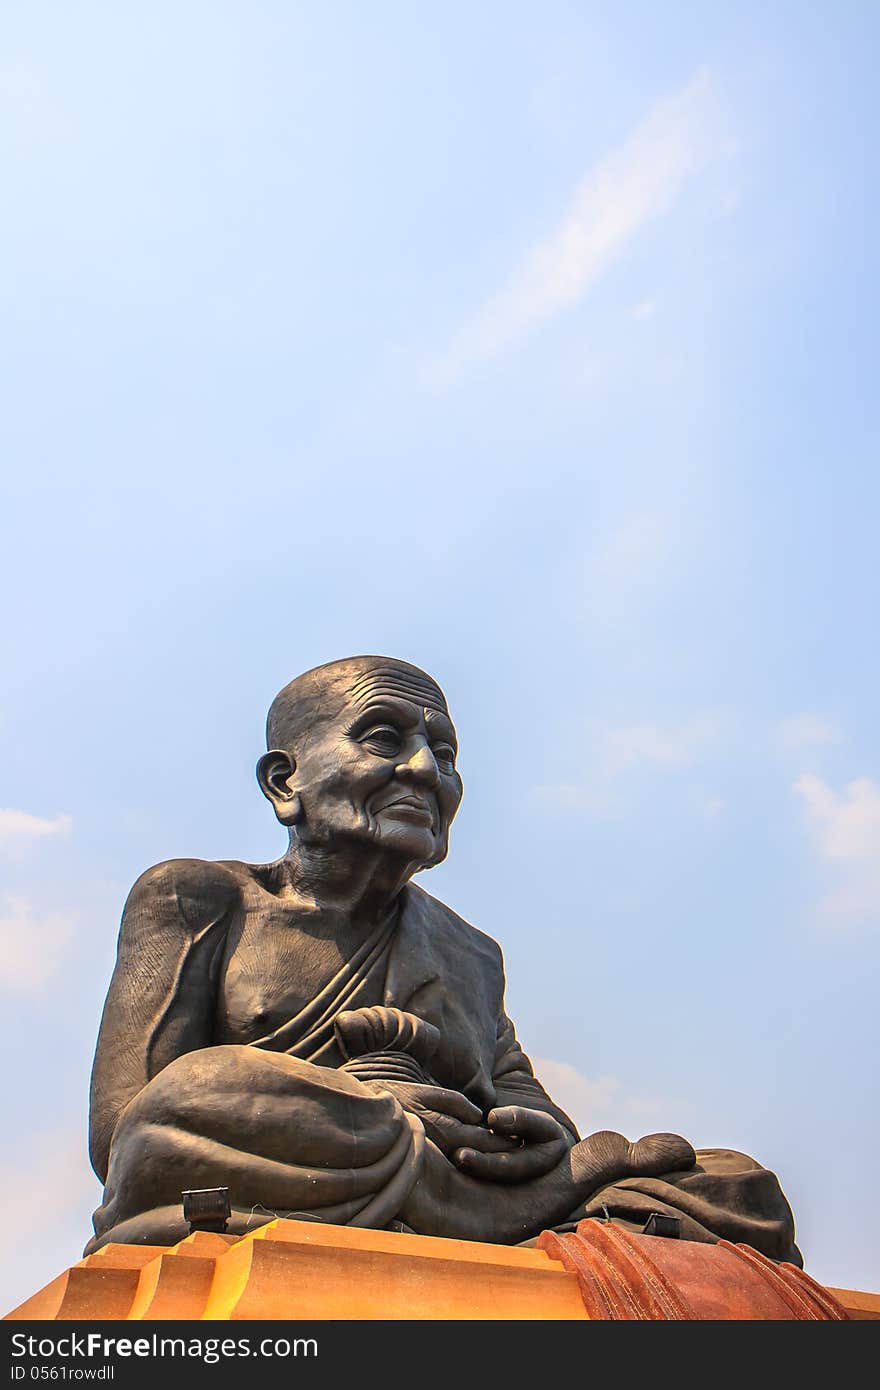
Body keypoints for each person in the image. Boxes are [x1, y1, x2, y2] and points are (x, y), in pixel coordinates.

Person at [87, 656, 800, 1261]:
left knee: (737, 1186)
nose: (426, 770)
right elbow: (128, 1129)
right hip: (297, 1156)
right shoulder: (198, 897)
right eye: (383, 739)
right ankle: (446, 1201)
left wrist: (536, 1139)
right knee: (206, 1087)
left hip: (467, 1184)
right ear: (285, 783)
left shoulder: (470, 953)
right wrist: (377, 1107)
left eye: (446, 754)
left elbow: (529, 1111)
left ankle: (463, 1212)